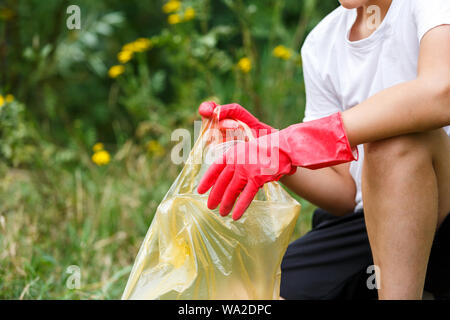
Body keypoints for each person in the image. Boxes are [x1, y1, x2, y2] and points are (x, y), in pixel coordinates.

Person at [197, 0, 450, 300]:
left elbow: (441, 92)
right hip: (371, 227)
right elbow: (345, 192)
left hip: (443, 218)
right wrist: (269, 145)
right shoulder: (320, 43)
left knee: (394, 140)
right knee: (260, 293)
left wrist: (305, 139)